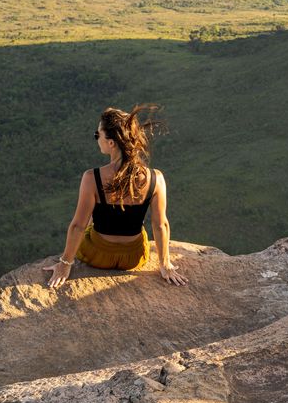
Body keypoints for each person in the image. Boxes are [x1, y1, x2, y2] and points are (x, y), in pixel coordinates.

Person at [43, 104, 187, 288]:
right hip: (134, 258)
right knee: (139, 230)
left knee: (88, 222)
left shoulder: (92, 178)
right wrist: (165, 264)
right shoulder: (155, 178)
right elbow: (160, 225)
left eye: (98, 135)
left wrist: (64, 265)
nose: (97, 139)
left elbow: (78, 226)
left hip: (97, 255)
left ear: (111, 143)